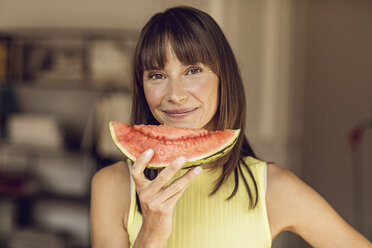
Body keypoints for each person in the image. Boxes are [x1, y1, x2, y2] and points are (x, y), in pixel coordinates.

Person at [90, 6, 372, 248]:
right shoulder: (112, 186)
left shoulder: (272, 188)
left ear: (223, 77)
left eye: (193, 70)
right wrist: (149, 235)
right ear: (142, 86)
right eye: (157, 75)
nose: (174, 94)